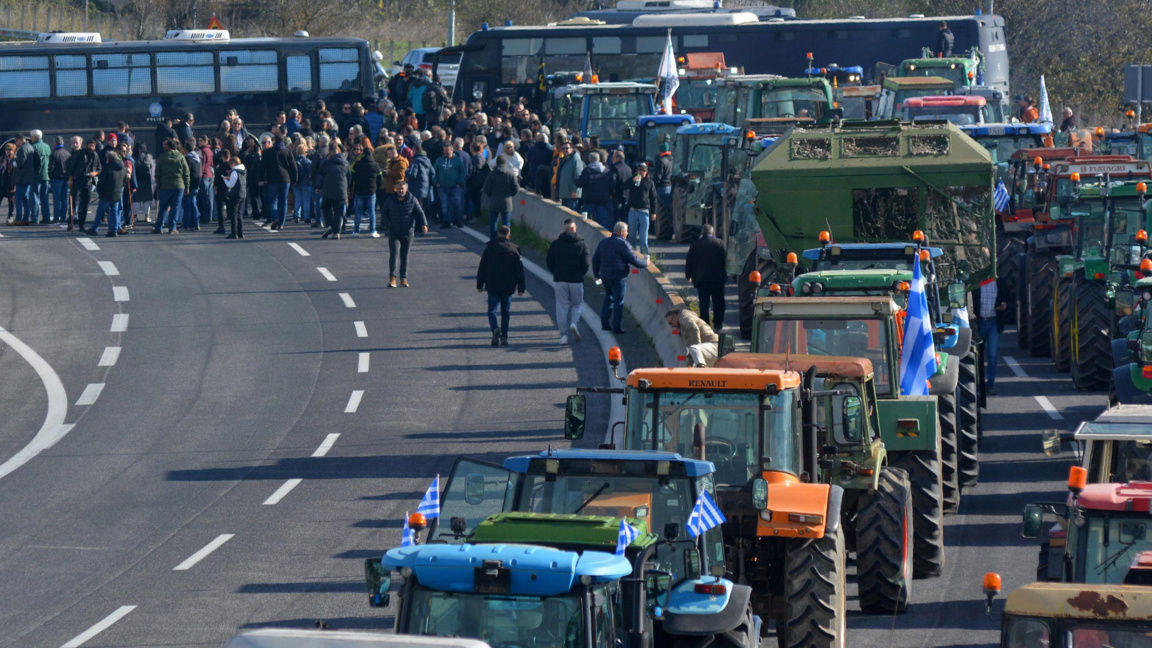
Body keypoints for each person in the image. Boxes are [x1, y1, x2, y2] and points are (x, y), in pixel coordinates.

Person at [593, 221, 648, 333]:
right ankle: (617, 327)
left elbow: (595, 260)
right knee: (619, 301)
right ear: (622, 232)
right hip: (619, 277)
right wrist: (645, 263)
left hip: (606, 277)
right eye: (627, 231)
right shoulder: (623, 244)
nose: (627, 234)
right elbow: (635, 260)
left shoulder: (603, 243)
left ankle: (605, 324)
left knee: (609, 298)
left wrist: (597, 275)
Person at [477, 224, 526, 346]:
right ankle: (504, 337)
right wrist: (521, 287)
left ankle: (495, 329)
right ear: (509, 235)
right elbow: (519, 271)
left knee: (492, 311)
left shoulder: (490, 248)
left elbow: (482, 267)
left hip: (493, 285)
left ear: (499, 234)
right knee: (506, 312)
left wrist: (479, 284)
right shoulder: (514, 250)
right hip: (508, 286)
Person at [546, 218, 592, 344]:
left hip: (561, 280)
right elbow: (586, 264)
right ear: (574, 228)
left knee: (561, 307)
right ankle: (574, 323)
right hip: (576, 280)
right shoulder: (582, 244)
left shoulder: (556, 244)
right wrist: (580, 273)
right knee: (577, 305)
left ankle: (563, 335)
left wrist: (556, 272)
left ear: (565, 229)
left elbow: (549, 262)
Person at [381, 179, 428, 287]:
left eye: (402, 188)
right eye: (398, 188)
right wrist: (388, 223)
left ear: (406, 189)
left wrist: (424, 224)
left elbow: (420, 213)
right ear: (395, 189)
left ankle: (403, 278)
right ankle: (392, 278)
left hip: (408, 232)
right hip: (394, 232)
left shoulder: (413, 200)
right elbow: (384, 213)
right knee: (394, 255)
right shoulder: (390, 200)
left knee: (405, 256)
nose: (400, 190)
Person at [684, 224, 728, 330]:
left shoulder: (695, 245)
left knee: (704, 303)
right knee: (719, 302)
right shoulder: (720, 243)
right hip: (717, 279)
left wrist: (688, 275)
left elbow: (689, 261)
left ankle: (705, 324)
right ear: (712, 232)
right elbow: (725, 260)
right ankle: (718, 323)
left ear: (702, 233)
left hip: (701, 279)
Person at [976, 278, 1009, 394]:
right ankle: (977, 383)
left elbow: (1006, 297)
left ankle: (990, 384)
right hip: (980, 323)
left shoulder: (999, 282)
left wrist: (1004, 305)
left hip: (994, 322)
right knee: (976, 354)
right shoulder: (976, 283)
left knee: (992, 355)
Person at [153, 138, 189, 234]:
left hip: (165, 186)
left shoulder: (162, 158)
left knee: (163, 207)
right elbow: (186, 173)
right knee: (175, 207)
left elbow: (157, 174)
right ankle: (172, 227)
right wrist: (187, 187)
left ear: (168, 147)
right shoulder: (181, 157)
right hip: (178, 185)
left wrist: (159, 185)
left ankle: (158, 226)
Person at [263, 134, 297, 231]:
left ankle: (275, 217)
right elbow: (293, 167)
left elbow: (263, 166)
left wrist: (261, 178)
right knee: (283, 201)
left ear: (274, 141)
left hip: (272, 179)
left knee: (273, 200)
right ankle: (281, 223)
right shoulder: (288, 152)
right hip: (285, 179)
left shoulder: (268, 152)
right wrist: (294, 179)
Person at [89, 150, 126, 237]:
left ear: (108, 158)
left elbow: (101, 182)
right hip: (117, 193)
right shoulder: (122, 168)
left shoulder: (107, 168)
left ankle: (94, 228)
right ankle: (114, 230)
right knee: (114, 212)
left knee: (100, 212)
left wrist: (99, 191)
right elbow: (124, 181)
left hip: (106, 194)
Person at [349, 141, 382, 238]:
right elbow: (380, 178)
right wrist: (377, 187)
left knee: (358, 211)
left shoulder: (358, 164)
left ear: (363, 153)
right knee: (371, 211)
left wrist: (351, 189)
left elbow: (352, 178)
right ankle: (372, 230)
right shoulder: (376, 165)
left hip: (359, 190)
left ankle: (356, 231)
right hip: (371, 191)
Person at [574, 151, 615, 229]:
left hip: (589, 200)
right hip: (603, 200)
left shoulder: (587, 170)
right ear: (599, 159)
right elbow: (612, 185)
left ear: (589, 160)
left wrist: (575, 180)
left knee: (585, 220)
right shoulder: (606, 171)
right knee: (603, 221)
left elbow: (580, 183)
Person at [67, 138, 100, 231]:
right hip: (77, 180)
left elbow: (99, 168)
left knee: (85, 204)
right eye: (90, 145)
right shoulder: (80, 154)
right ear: (86, 145)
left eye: (93, 145)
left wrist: (95, 173)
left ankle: (82, 225)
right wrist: (70, 179)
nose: (91, 147)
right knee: (73, 203)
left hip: (88, 182)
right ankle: (71, 222)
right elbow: (72, 168)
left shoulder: (95, 155)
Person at [482, 156, 519, 240]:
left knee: (493, 221)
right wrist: (510, 195)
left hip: (494, 199)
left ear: (497, 163)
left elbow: (486, 187)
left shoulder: (492, 174)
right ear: (505, 163)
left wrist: (491, 195)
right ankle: (506, 238)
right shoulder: (510, 174)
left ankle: (493, 239)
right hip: (507, 200)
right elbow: (516, 188)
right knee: (506, 222)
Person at [318, 142, 350, 240]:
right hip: (341, 190)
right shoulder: (345, 162)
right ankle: (337, 232)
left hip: (329, 189)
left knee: (325, 207)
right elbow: (349, 177)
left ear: (330, 151)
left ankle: (330, 225)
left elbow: (321, 172)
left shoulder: (328, 162)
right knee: (339, 212)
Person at [625, 162, 657, 257]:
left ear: (646, 172)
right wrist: (632, 181)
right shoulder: (633, 180)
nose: (641, 172)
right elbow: (624, 186)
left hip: (644, 211)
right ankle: (632, 255)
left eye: (643, 170)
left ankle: (645, 255)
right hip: (633, 210)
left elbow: (654, 198)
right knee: (631, 235)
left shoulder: (650, 183)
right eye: (639, 170)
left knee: (643, 237)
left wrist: (654, 212)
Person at [434, 144, 467, 228]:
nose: (445, 152)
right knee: (445, 205)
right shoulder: (439, 160)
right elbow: (434, 172)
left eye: (447, 150)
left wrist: (460, 182)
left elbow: (463, 172)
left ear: (452, 150)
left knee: (457, 204)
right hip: (442, 187)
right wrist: (436, 182)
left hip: (455, 187)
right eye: (444, 150)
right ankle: (446, 222)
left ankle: (457, 220)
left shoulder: (458, 160)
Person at [11, 134, 36, 225]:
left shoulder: (23, 149)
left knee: (18, 198)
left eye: (16, 141)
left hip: (22, 177)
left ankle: (18, 218)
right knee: (25, 198)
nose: (15, 143)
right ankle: (26, 217)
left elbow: (19, 163)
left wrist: (12, 160)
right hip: (28, 177)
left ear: (19, 140)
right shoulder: (30, 147)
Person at [222, 154, 247, 239]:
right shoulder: (243, 171)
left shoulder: (235, 172)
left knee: (233, 214)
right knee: (239, 214)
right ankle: (241, 232)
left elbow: (230, 185)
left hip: (235, 195)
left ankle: (234, 233)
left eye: (230, 164)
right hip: (243, 194)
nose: (230, 166)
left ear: (233, 163)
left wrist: (225, 180)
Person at [556, 141, 584, 210]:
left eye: (567, 148)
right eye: (563, 149)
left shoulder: (576, 160)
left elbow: (578, 176)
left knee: (572, 216)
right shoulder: (565, 160)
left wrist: (575, 191)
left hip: (572, 195)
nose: (565, 150)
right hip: (565, 194)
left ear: (572, 149)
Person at [30, 130, 51, 224]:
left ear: (34, 137)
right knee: (45, 197)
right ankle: (46, 217)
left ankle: (35, 218)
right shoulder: (47, 146)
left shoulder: (33, 147)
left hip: (35, 176)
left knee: (35, 197)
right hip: (46, 175)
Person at [49, 136, 71, 224]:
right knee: (64, 200)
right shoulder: (67, 153)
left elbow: (51, 167)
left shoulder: (54, 153)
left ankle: (56, 218)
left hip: (56, 179)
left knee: (57, 200)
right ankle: (63, 218)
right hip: (66, 179)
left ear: (55, 143)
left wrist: (50, 177)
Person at [181, 139, 202, 231]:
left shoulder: (187, 159)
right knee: (194, 204)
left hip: (189, 185)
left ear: (185, 150)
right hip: (196, 184)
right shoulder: (197, 158)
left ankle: (187, 224)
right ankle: (196, 223)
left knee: (187, 205)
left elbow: (186, 173)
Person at [651, 142, 674, 226]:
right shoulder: (672, 160)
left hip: (662, 188)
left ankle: (659, 227)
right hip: (670, 187)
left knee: (657, 208)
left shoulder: (660, 161)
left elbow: (657, 177)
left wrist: (653, 188)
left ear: (660, 151)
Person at [292, 143, 314, 227]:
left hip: (296, 183)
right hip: (306, 183)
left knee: (297, 199)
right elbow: (310, 173)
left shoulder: (294, 160)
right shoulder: (307, 161)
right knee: (306, 200)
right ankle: (306, 217)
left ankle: (297, 216)